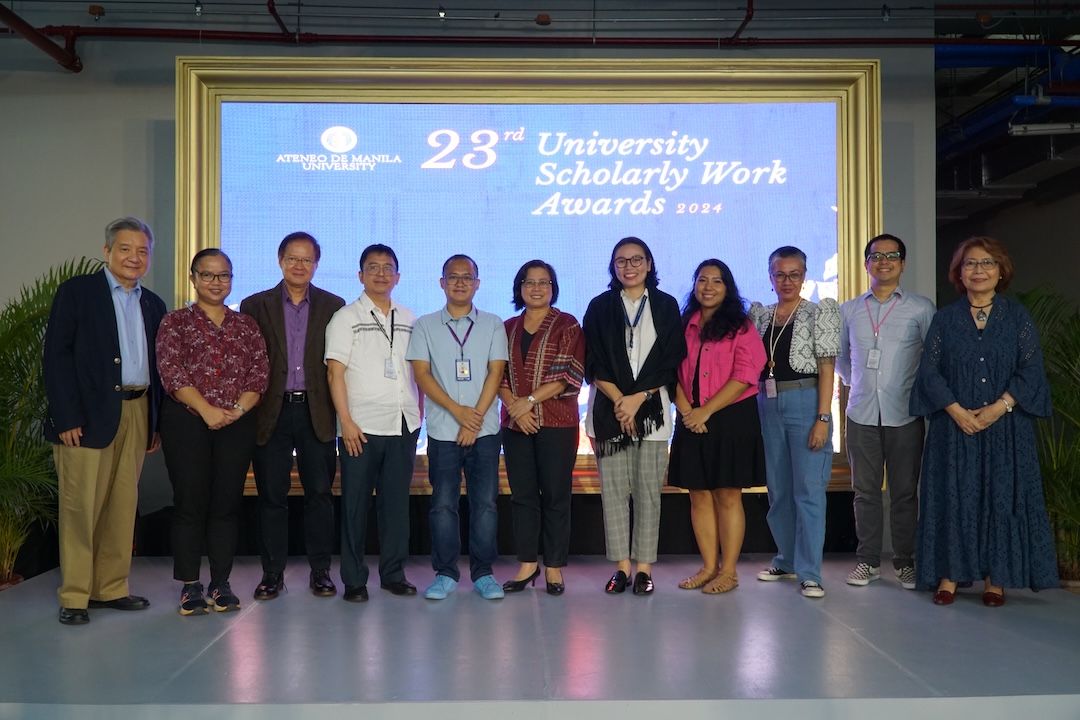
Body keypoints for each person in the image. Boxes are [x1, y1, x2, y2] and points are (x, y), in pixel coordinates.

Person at [909, 236, 1057, 606]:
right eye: (970, 264)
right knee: (952, 497)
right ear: (959, 272)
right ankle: (949, 576)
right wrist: (956, 410)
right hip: (952, 427)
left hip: (1005, 428)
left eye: (987, 263)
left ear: (1001, 270)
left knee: (999, 497)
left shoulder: (1017, 317)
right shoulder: (944, 319)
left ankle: (996, 578)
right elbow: (929, 372)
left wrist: (998, 408)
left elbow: (1031, 370)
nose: (979, 270)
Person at [44, 216, 167, 626]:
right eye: (126, 249)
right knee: (81, 507)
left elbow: (157, 366)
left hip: (136, 410)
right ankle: (76, 595)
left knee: (121, 504)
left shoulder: (153, 303)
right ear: (107, 252)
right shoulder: (77, 293)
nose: (135, 257)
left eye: (143, 251)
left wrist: (154, 422)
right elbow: (56, 357)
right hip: (84, 417)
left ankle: (111, 587)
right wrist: (66, 416)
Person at [157, 249, 269, 615]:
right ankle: (190, 586)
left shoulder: (247, 325)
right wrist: (206, 411)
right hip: (187, 423)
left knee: (226, 505)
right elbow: (171, 373)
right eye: (207, 275)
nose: (216, 282)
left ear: (231, 280)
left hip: (236, 425)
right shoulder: (174, 323)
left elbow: (259, 375)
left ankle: (221, 583)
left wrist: (236, 410)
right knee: (190, 504)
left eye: (223, 276)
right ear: (193, 279)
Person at [240, 232, 345, 601]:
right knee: (272, 496)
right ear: (280, 260)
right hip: (271, 411)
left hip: (317, 411)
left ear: (316, 264)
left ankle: (321, 572)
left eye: (307, 260)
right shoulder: (254, 305)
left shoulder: (335, 305)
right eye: (292, 258)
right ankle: (272, 574)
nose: (299, 265)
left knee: (320, 495)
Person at [583, 237, 686, 595]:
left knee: (647, 493)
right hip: (610, 410)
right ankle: (621, 567)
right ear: (613, 266)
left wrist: (638, 399)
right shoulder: (599, 306)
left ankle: (644, 567)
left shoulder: (666, 304)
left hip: (652, 410)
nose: (629, 266)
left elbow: (671, 358)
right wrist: (620, 401)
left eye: (636, 259)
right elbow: (592, 359)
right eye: (621, 261)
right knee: (613, 493)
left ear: (649, 263)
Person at [406, 254, 508, 600]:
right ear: (441, 282)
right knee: (443, 505)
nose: (460, 283)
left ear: (477, 284)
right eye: (453, 277)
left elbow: (496, 373)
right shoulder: (425, 325)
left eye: (468, 277)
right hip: (443, 431)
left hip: (485, 431)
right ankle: (446, 573)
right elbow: (422, 374)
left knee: (485, 505)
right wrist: (458, 412)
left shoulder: (494, 324)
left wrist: (475, 417)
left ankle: (483, 574)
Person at [836, 234, 935, 591]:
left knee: (905, 491)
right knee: (864, 492)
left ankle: (906, 562)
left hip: (905, 413)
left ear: (903, 264)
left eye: (892, 256)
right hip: (861, 411)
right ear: (866, 264)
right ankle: (867, 562)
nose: (884, 261)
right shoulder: (848, 310)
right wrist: (863, 383)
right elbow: (843, 361)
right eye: (876, 256)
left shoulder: (922, 308)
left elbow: (931, 359)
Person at [326, 244, 422, 602]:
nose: (381, 274)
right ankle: (353, 579)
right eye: (373, 267)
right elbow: (334, 373)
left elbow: (419, 371)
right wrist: (345, 422)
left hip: (402, 425)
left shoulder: (410, 317)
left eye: (388, 268)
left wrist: (419, 413)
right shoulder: (345, 317)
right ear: (360, 275)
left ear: (397, 276)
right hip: (360, 428)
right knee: (355, 505)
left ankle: (394, 574)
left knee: (396, 505)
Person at [668, 259, 767, 594]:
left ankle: (729, 571)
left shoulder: (741, 326)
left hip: (730, 417)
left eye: (717, 281)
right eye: (702, 280)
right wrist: (687, 411)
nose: (708, 287)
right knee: (698, 496)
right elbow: (668, 372)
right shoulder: (683, 324)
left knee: (727, 495)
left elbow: (745, 374)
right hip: (690, 418)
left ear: (728, 288)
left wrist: (705, 411)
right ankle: (709, 567)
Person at [749, 246, 840, 599]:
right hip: (767, 402)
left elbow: (827, 368)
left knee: (809, 492)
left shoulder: (820, 313)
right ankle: (785, 560)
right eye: (780, 274)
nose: (787, 281)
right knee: (779, 490)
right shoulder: (761, 316)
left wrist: (822, 418)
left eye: (794, 274)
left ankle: (810, 572)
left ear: (805, 276)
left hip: (806, 400)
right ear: (770, 277)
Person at [498, 260, 585, 596]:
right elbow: (498, 375)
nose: (536, 288)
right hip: (515, 424)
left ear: (553, 287)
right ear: (519, 288)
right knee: (522, 497)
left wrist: (528, 401)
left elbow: (568, 374)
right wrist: (515, 407)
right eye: (529, 282)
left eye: (543, 282)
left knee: (556, 497)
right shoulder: (505, 327)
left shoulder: (568, 324)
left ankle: (554, 568)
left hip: (558, 424)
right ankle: (527, 565)